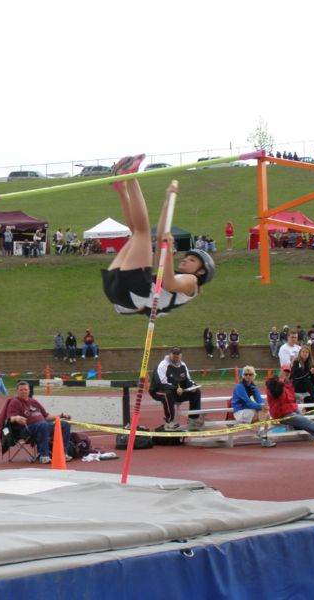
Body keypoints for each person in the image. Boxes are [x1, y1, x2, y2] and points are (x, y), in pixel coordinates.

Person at [103, 154, 215, 316]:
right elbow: (162, 236)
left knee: (142, 233)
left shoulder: (193, 282)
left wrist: (168, 252)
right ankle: (121, 189)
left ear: (201, 271)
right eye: (188, 257)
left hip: (131, 295)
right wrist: (167, 202)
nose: (185, 259)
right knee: (138, 235)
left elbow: (169, 283)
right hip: (118, 293)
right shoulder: (178, 276)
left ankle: (130, 176)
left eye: (192, 260)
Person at [265, 365, 314, 442]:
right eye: (284, 372)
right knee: (305, 422)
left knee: (306, 423)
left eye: (288, 373)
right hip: (280, 413)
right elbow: (276, 395)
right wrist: (281, 381)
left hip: (290, 410)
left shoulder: (289, 384)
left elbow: (291, 399)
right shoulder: (272, 383)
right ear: (280, 372)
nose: (286, 375)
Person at [5, 381, 72, 464]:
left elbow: (46, 416)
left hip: (43, 426)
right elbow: (10, 418)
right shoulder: (15, 402)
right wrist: (16, 417)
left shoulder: (34, 402)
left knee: (65, 424)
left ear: (29, 390)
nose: (23, 391)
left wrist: (61, 415)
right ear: (17, 391)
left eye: (25, 389)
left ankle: (63, 454)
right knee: (42, 425)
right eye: (21, 390)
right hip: (26, 430)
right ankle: (44, 456)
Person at [153, 347, 203, 431]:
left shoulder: (183, 365)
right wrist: (176, 388)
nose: (176, 356)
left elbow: (188, 379)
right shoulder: (163, 365)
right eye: (174, 354)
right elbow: (161, 383)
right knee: (167, 394)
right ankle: (169, 422)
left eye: (178, 354)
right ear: (170, 354)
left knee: (196, 392)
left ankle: (193, 419)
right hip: (158, 391)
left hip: (177, 392)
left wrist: (193, 386)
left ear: (181, 355)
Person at [231, 366, 275, 447]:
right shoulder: (239, 387)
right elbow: (248, 402)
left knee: (266, 413)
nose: (248, 376)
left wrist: (263, 405)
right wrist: (261, 407)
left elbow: (259, 399)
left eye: (250, 374)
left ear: (253, 376)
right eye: (246, 374)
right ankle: (263, 436)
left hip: (249, 410)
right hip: (240, 412)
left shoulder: (253, 387)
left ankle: (263, 435)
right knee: (264, 413)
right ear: (243, 376)